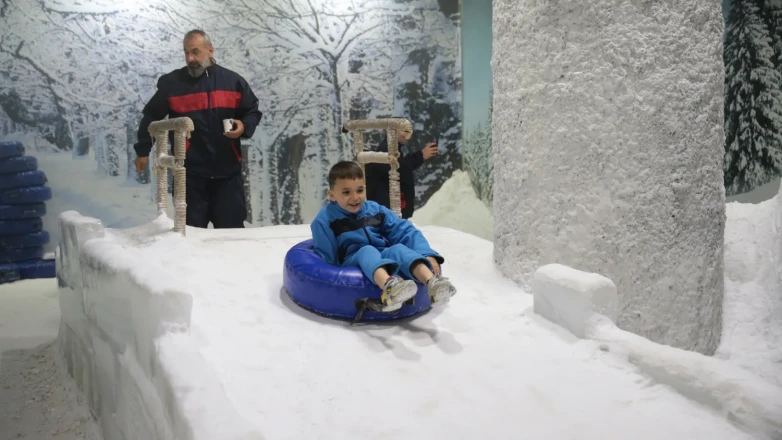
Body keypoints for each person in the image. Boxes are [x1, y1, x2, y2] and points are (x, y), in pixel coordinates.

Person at [133, 29, 262, 229]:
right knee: (190, 238)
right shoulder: (172, 84)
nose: (190, 58)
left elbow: (252, 111)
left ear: (210, 51)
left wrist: (244, 125)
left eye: (195, 52)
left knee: (232, 238)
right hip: (189, 177)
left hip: (227, 175)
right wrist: (142, 150)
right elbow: (151, 116)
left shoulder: (233, 82)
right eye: (186, 53)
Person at [311, 161, 457, 312]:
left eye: (359, 190)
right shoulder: (325, 220)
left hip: (381, 255)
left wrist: (426, 253)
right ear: (332, 195)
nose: (355, 197)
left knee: (398, 249)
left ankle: (433, 283)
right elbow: (328, 258)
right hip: (353, 259)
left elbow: (404, 230)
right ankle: (389, 289)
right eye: (346, 192)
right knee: (367, 250)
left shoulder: (375, 210)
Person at [364, 121, 438, 219]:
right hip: (388, 207)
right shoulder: (387, 148)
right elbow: (398, 167)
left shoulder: (392, 147)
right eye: (404, 130)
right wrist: (421, 155)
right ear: (393, 131)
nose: (407, 135)